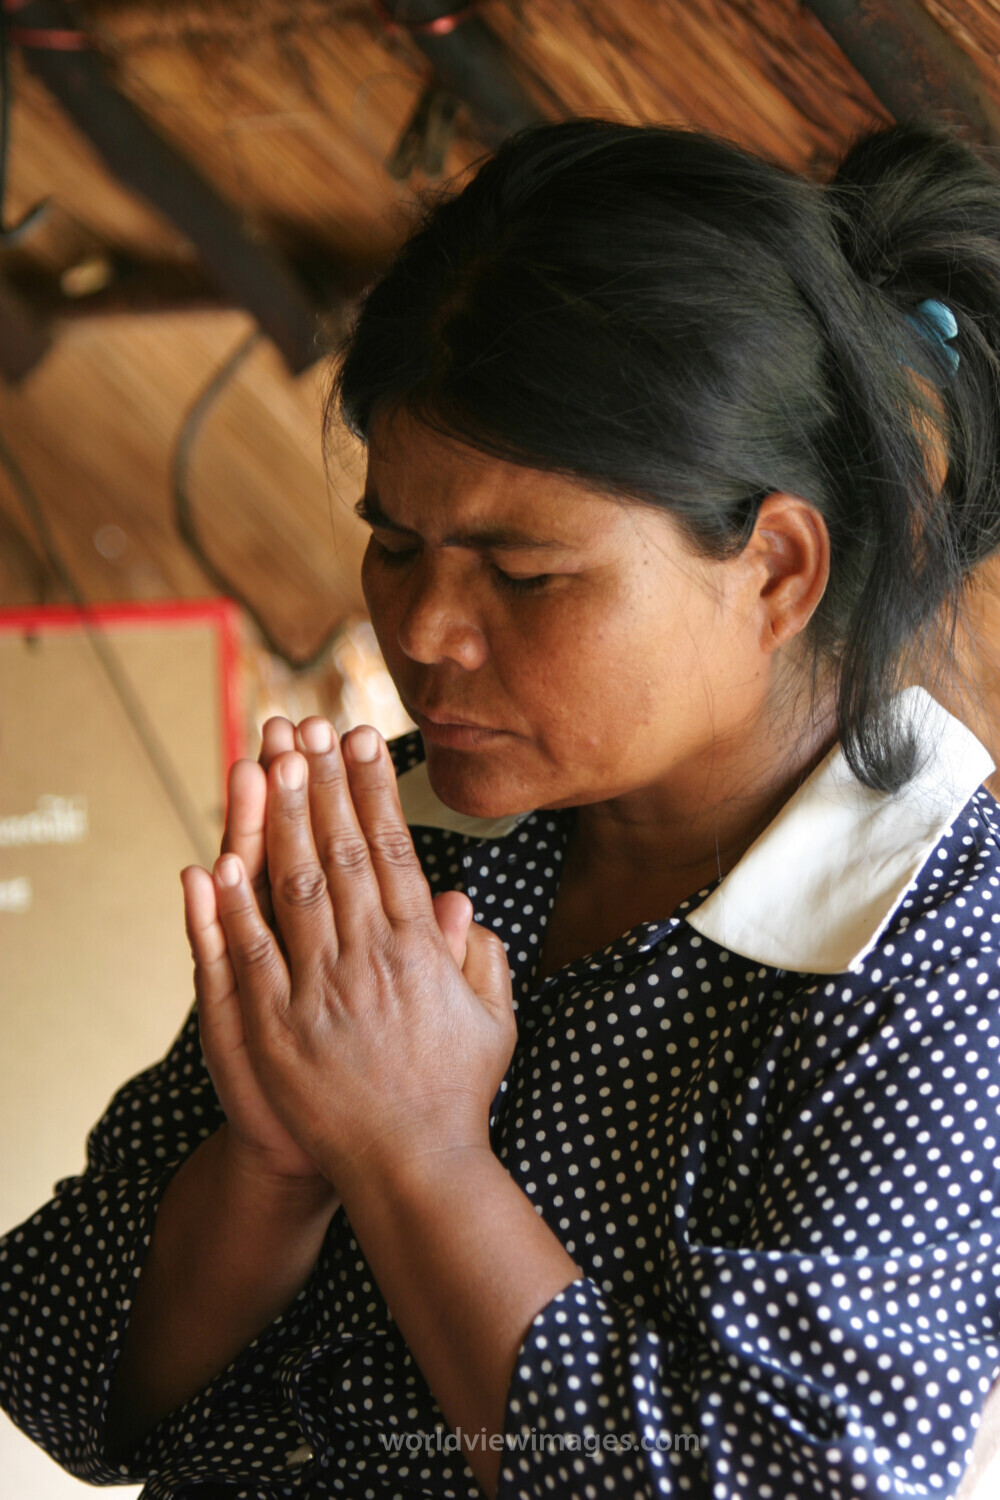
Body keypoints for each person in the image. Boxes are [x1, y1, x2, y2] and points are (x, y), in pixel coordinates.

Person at [2, 115, 1000, 1500]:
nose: (426, 631)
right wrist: (277, 1158)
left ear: (775, 568)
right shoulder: (410, 836)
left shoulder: (940, 966)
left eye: (524, 576)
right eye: (393, 545)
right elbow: (56, 1369)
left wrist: (410, 1151)